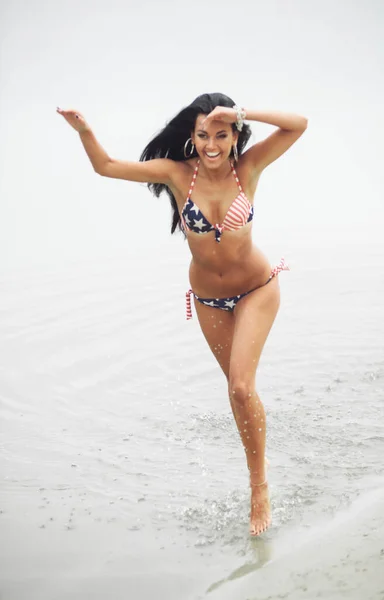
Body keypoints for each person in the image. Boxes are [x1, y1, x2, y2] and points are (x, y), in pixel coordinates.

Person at [56, 93, 308, 536]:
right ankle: (257, 470)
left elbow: (298, 124)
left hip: (257, 289)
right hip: (209, 300)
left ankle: (259, 489)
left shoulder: (247, 168)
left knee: (241, 385)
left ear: (235, 135)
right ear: (191, 138)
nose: (212, 144)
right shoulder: (178, 175)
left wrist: (243, 111)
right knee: (238, 396)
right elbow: (107, 167)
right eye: (203, 135)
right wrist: (85, 132)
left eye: (222, 134)